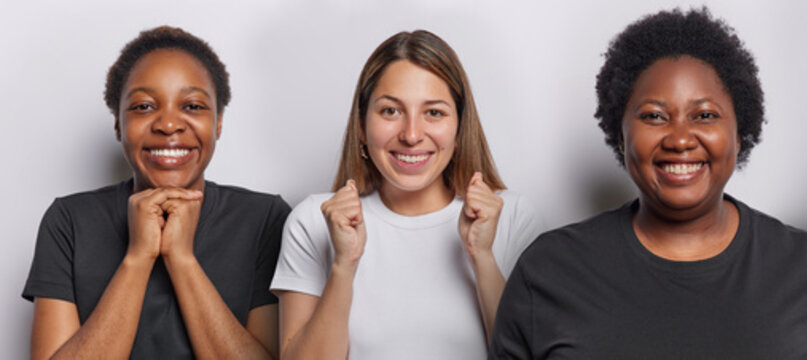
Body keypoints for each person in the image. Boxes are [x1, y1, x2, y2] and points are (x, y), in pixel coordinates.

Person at [490, 8, 807, 359]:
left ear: (738, 133)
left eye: (704, 115)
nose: (680, 139)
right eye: (654, 116)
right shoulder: (551, 270)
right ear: (621, 135)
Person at [272, 29, 541, 359]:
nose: (412, 135)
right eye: (390, 111)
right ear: (361, 125)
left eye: (434, 112)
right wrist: (344, 264)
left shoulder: (511, 215)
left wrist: (482, 257)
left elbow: (530, 355)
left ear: (459, 128)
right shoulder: (314, 220)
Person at [24, 26, 288, 359]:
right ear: (118, 123)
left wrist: (182, 259)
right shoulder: (69, 221)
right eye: (144, 107)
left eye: (192, 106)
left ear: (218, 122)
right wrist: (138, 257)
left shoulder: (265, 220)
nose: (168, 124)